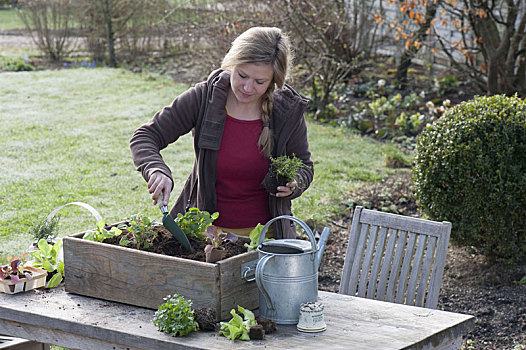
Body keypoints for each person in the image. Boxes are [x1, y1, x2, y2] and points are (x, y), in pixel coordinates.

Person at [129, 27, 314, 239]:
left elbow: (304, 165)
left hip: (267, 239)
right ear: (231, 65)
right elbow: (145, 136)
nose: (246, 87)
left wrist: (295, 182)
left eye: (259, 82)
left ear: (273, 80)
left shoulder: (286, 111)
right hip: (205, 237)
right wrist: (156, 170)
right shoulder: (204, 98)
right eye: (242, 75)